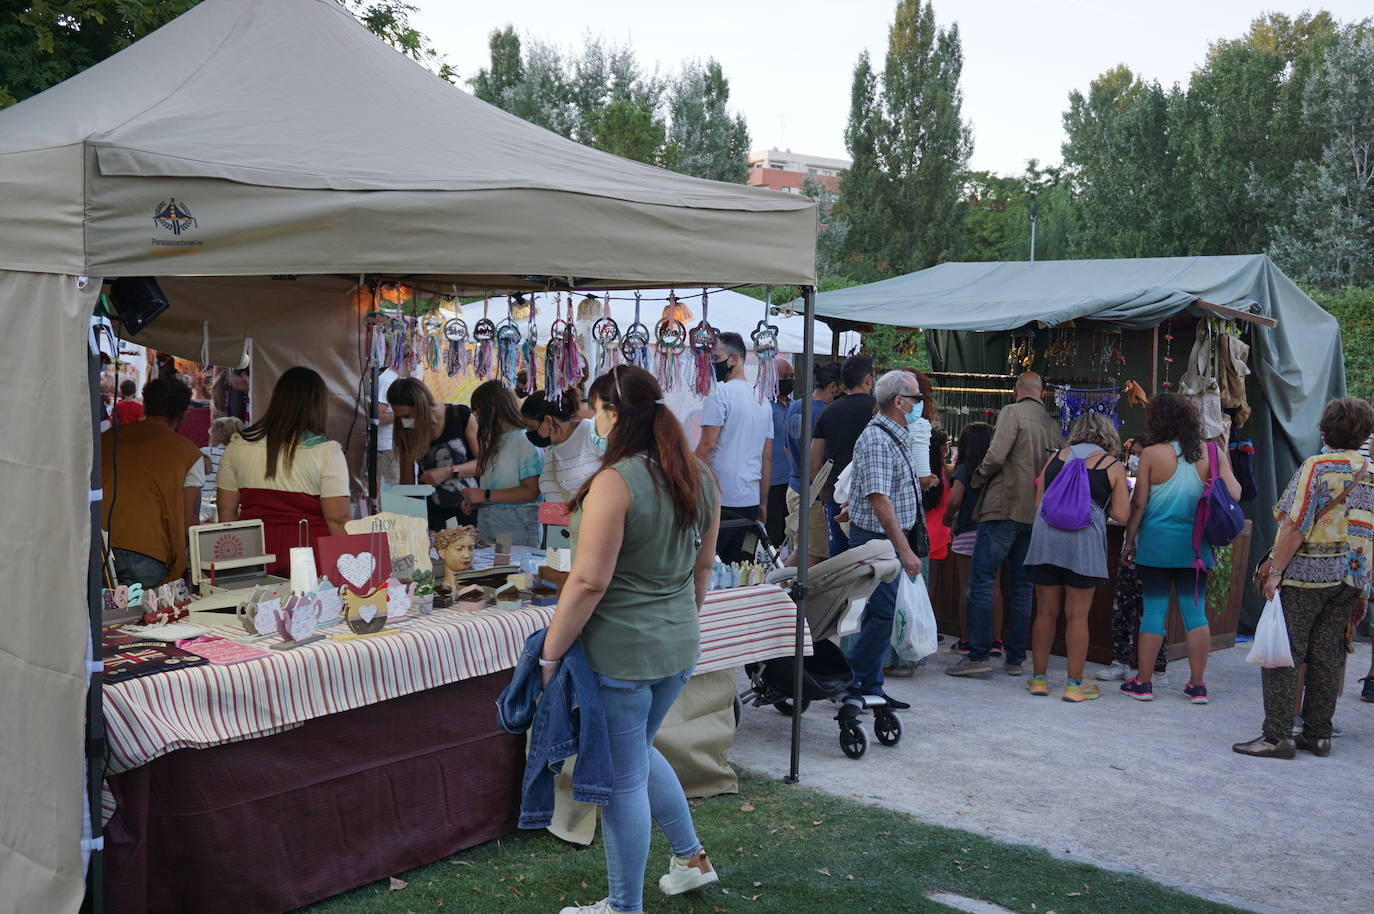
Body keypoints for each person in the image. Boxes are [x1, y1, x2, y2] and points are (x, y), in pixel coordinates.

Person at [538, 366, 721, 914]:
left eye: (595, 409)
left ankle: (624, 906)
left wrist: (550, 653)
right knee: (636, 755)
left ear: (614, 413)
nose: (591, 420)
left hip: (623, 653)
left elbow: (588, 582)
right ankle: (690, 860)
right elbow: (703, 568)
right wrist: (677, 625)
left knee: (622, 779)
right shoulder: (698, 475)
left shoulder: (616, 480)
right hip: (675, 645)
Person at [1234, 397, 1374, 758]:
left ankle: (1276, 736)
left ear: (1325, 429)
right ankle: (1318, 735)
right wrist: (1363, 592)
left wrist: (1275, 572)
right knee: (1329, 654)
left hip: (1309, 574)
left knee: (1284, 652)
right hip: (1352, 577)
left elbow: (1295, 527)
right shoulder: (1371, 473)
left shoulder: (1317, 466)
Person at [1120, 393, 1241, 703]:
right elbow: (1236, 494)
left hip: (1156, 546)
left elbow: (1139, 504)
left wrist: (1129, 541)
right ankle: (1197, 685)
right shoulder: (1212, 453)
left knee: (1154, 611)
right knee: (1195, 613)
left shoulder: (1151, 454)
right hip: (1197, 548)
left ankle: (1144, 682)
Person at [947, 372, 1062, 678]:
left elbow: (996, 455)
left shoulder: (1011, 412)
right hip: (1035, 514)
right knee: (1022, 588)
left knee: (982, 581)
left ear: (1016, 391)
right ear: (1041, 393)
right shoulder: (1052, 426)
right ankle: (1014, 659)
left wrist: (979, 477)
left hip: (1003, 506)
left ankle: (979, 655)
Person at [1023, 414, 1132, 701]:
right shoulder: (1113, 466)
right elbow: (1122, 514)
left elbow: (1038, 502)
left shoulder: (1056, 457)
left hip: (1045, 542)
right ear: (1108, 435)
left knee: (1045, 612)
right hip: (1083, 545)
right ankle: (1074, 684)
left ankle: (1039, 680)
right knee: (1077, 615)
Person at [217, 367, 352, 575]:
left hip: (255, 554)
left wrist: (235, 564)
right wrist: (349, 569)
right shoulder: (327, 452)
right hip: (311, 558)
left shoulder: (237, 446)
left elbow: (226, 512)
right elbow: (338, 519)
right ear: (317, 405)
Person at [842, 371, 925, 707]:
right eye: (916, 398)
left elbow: (878, 489)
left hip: (884, 536)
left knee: (881, 613)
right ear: (899, 401)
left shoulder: (893, 434)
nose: (920, 404)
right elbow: (881, 500)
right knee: (883, 614)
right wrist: (904, 550)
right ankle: (855, 677)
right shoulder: (879, 438)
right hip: (878, 539)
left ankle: (870, 684)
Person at [100, 376, 206, 587]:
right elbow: (188, 522)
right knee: (147, 619)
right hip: (150, 552)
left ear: (145, 404)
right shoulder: (189, 453)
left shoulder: (107, 439)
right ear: (184, 413)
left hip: (100, 550)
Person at [695, 332, 773, 562]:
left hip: (720, 499)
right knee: (740, 569)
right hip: (749, 498)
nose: (711, 364)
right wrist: (763, 502)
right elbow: (766, 456)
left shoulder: (719, 395)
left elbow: (706, 447)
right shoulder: (762, 399)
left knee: (706, 565)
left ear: (735, 359)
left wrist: (686, 481)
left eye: (715, 357)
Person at [941, 422, 1003, 654]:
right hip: (994, 531)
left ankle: (966, 640)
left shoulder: (964, 468)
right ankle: (995, 641)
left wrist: (947, 519)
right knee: (994, 585)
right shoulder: (996, 469)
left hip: (967, 530)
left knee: (966, 586)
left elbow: (955, 499)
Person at [388, 377, 480, 531]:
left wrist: (447, 472)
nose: (404, 422)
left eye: (406, 416)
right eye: (399, 417)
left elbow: (483, 464)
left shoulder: (461, 416)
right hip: (432, 515)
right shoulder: (406, 431)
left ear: (422, 407)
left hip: (469, 509)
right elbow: (407, 481)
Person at [461, 380, 544, 547]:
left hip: (517, 525)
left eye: (478, 411)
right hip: (488, 522)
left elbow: (531, 492)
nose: (476, 418)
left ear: (492, 409)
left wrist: (484, 494)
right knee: (491, 571)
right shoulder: (492, 441)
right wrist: (478, 500)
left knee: (514, 572)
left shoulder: (525, 440)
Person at [812, 355, 877, 557]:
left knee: (838, 561)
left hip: (835, 495)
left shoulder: (828, 412)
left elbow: (814, 462)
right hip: (872, 497)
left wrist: (824, 492)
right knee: (869, 561)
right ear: (868, 379)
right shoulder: (879, 410)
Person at [522, 387, 602, 550]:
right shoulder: (551, 450)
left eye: (530, 427)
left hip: (590, 536)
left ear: (548, 420)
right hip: (558, 535)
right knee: (558, 573)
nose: (528, 433)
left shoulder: (590, 433)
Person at [784, 361, 842, 567]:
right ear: (834, 386)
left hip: (794, 486)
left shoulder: (795, 406)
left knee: (804, 550)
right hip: (813, 494)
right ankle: (776, 589)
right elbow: (817, 459)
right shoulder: (826, 413)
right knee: (811, 554)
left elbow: (786, 449)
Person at [764, 359, 795, 547]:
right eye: (785, 377)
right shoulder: (764, 406)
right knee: (772, 529)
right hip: (773, 479)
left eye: (792, 377)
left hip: (792, 479)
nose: (790, 380)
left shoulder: (795, 405)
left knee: (790, 529)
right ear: (773, 378)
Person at [199, 416, 244, 522]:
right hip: (233, 510)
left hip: (204, 508)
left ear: (218, 436)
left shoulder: (204, 453)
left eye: (211, 433)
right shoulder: (241, 456)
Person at [374, 366, 401, 487]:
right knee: (390, 494)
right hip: (386, 448)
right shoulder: (388, 381)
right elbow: (378, 416)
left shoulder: (394, 379)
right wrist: (407, 414)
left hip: (393, 446)